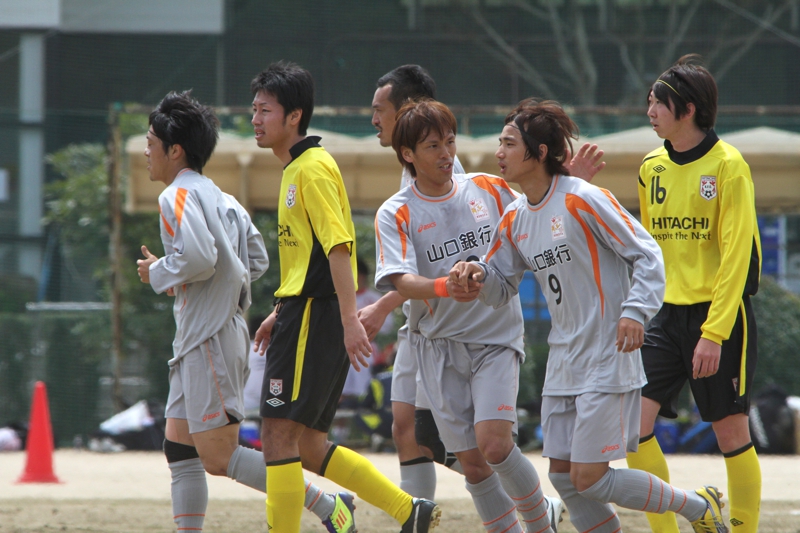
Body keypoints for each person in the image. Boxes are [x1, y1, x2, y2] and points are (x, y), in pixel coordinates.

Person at [450, 98, 729, 533]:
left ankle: (698, 506)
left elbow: (648, 254)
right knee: (564, 477)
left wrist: (635, 311)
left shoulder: (584, 198)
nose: (498, 153)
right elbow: (499, 286)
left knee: (590, 478)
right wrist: (475, 275)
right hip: (563, 361)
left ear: (540, 152)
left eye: (509, 143)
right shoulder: (514, 217)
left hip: (607, 354)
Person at [136, 91, 350, 533]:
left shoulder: (176, 196)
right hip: (207, 336)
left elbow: (200, 258)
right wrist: (212, 284)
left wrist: (159, 271)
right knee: (180, 450)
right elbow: (256, 259)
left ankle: (328, 504)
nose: (146, 152)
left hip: (208, 338)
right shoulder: (224, 198)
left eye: (151, 142)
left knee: (219, 456)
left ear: (175, 150)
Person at [249, 61, 440, 533]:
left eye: (264, 110)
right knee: (308, 445)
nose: (255, 119)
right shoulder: (298, 167)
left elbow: (339, 247)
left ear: (294, 116)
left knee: (277, 436)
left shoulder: (311, 168)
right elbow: (310, 257)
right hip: (304, 310)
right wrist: (280, 310)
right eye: (254, 110)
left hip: (314, 314)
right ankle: (408, 510)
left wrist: (350, 320)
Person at [375, 99, 560, 533]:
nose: (446, 154)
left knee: (495, 445)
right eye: (433, 146)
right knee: (473, 464)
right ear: (408, 154)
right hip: (437, 348)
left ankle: (540, 523)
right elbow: (401, 280)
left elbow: (538, 214)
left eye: (450, 141)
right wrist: (445, 286)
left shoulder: (489, 188)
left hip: (496, 339)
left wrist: (572, 188)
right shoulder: (396, 211)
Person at [624, 55, 762, 533]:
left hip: (718, 316)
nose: (649, 112)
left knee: (731, 433)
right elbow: (650, 250)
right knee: (632, 428)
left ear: (687, 109)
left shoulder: (729, 166)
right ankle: (677, 521)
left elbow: (737, 258)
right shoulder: (651, 167)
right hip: (664, 316)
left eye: (657, 103)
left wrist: (714, 333)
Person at [360, 64, 467, 501]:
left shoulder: (446, 171)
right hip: (418, 320)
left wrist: (382, 305)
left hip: (447, 324)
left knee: (435, 437)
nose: (374, 119)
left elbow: (451, 259)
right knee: (405, 430)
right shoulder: (410, 176)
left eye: (379, 109)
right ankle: (417, 516)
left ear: (407, 110)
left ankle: (532, 501)